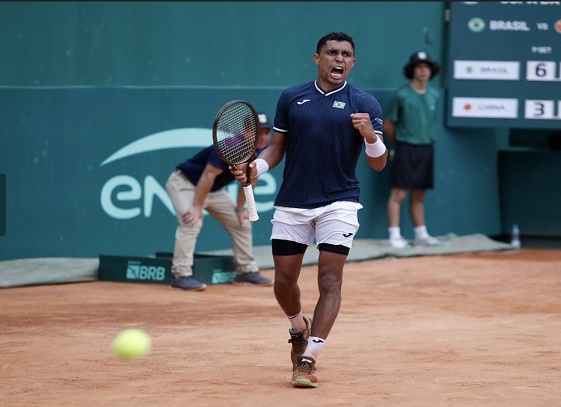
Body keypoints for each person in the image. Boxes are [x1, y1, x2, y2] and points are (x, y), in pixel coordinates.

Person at [231, 32, 388, 388]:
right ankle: (297, 327)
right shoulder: (292, 97)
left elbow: (379, 164)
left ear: (353, 62)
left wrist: (370, 136)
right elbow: (275, 149)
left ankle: (308, 359)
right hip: (293, 203)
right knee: (284, 282)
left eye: (346, 54)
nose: (339, 59)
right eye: (331, 53)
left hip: (340, 202)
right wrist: (255, 168)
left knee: (330, 279)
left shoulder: (365, 104)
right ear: (316, 58)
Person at [165, 111, 274, 291]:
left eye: (266, 132)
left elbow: (251, 179)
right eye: (258, 131)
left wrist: (240, 208)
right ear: (246, 131)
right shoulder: (230, 145)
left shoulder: (262, 150)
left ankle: (246, 271)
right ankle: (181, 275)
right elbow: (208, 175)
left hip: (214, 191)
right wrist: (196, 206)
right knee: (192, 221)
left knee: (242, 222)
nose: (263, 136)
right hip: (185, 184)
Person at [384, 51, 442, 249]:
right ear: (412, 70)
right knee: (398, 194)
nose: (423, 70)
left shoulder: (434, 94)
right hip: (405, 148)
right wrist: (399, 145)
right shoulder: (402, 95)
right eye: (419, 67)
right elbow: (388, 125)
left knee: (420, 195)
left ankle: (421, 235)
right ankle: (394, 235)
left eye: (427, 67)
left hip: (426, 148)